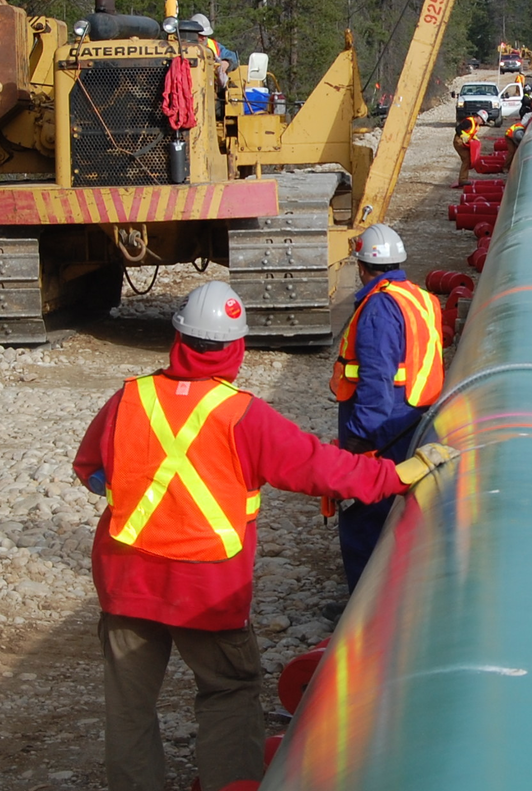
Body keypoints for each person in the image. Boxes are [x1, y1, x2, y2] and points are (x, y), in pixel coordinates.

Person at [74, 281, 456, 791]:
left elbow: (90, 469)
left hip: (127, 580)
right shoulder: (243, 416)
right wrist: (394, 475)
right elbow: (320, 468)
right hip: (207, 589)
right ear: (236, 349)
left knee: (129, 704)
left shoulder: (129, 398)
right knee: (228, 690)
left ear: (177, 338)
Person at [330, 223, 445, 590]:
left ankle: (362, 608)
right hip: (415, 421)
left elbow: (376, 379)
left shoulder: (379, 306)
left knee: (363, 517)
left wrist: (357, 441)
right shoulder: (420, 297)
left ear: (361, 266)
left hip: (381, 431)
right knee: (401, 518)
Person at [452, 113, 481, 188]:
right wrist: (462, 135)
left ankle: (464, 178)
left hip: (464, 142)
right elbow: (458, 128)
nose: (482, 122)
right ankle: (463, 180)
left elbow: (470, 133)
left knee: (467, 159)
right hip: (459, 141)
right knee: (466, 159)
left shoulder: (475, 124)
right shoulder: (468, 122)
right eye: (482, 120)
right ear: (478, 117)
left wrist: (474, 138)